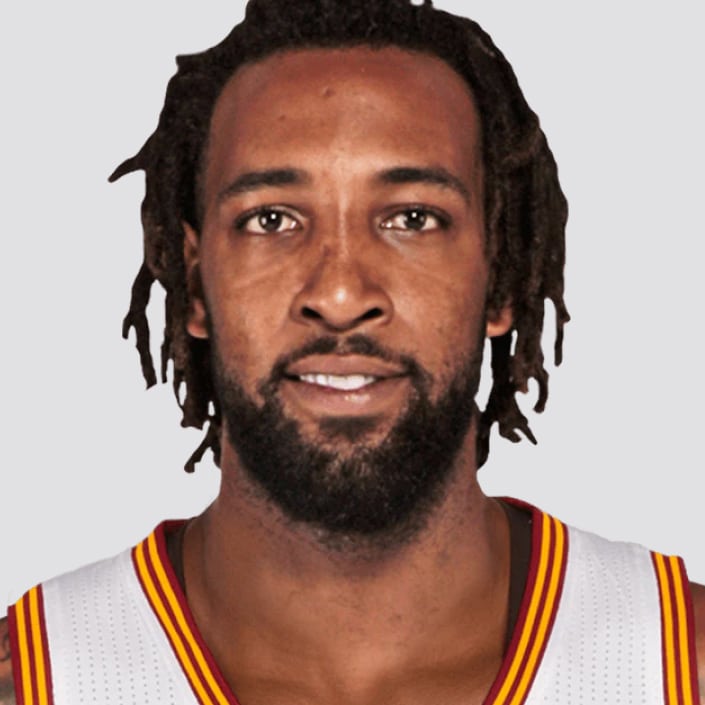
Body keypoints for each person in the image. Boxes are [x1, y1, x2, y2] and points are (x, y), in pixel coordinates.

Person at [1, 1, 703, 703]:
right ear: (194, 285)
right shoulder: (30, 681)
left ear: (501, 279)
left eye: (412, 218)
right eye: (271, 219)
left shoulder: (681, 666)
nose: (339, 295)